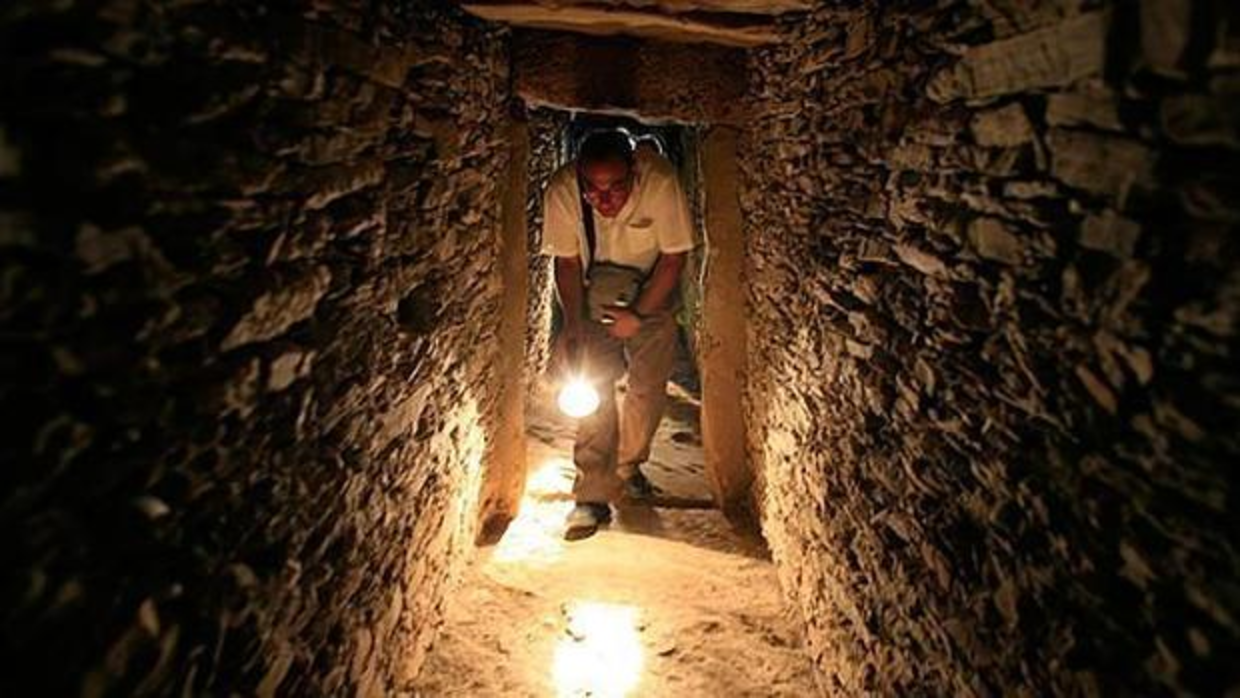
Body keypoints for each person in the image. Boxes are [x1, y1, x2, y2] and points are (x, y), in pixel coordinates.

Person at [541, 130, 694, 540]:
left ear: (634, 172)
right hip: (595, 291)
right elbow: (567, 263)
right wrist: (573, 325)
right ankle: (591, 493)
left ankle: (626, 467)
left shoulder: (660, 182)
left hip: (652, 288)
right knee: (592, 384)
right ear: (579, 175)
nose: (604, 200)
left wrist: (639, 314)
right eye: (593, 189)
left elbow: (674, 257)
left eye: (615, 188)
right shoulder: (562, 191)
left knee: (647, 387)